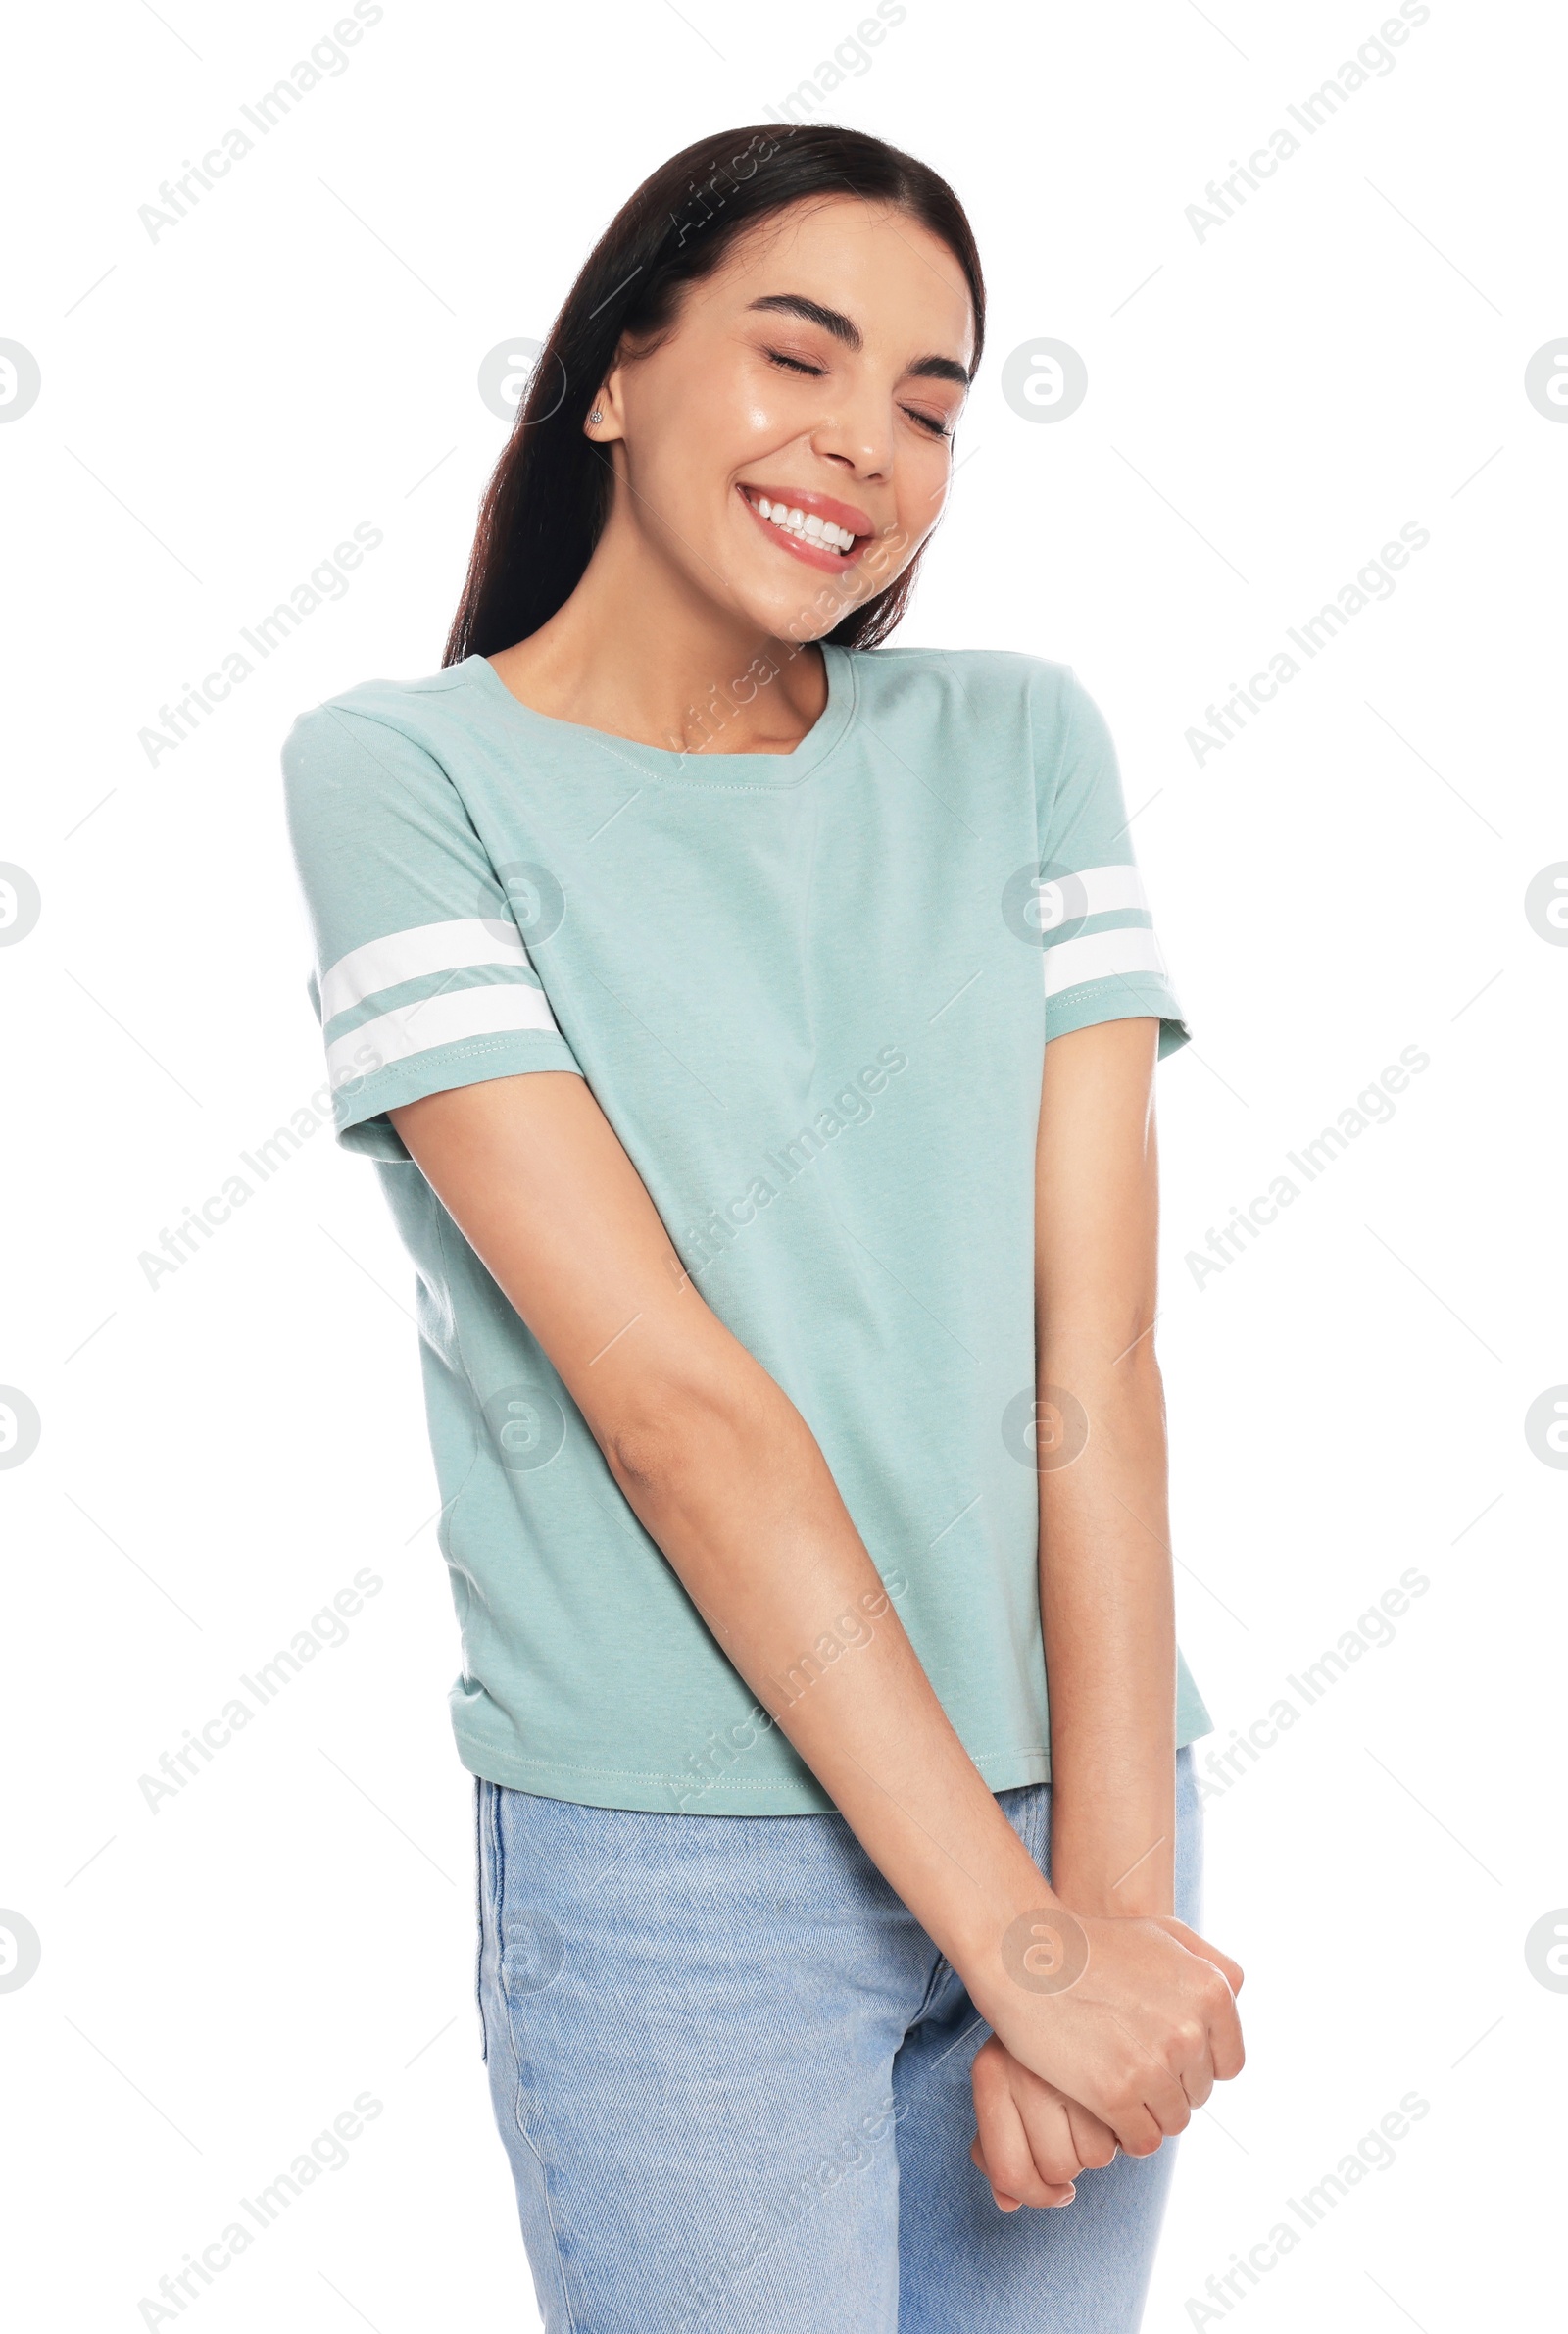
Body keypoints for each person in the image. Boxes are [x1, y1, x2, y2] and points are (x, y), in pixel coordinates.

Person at [280, 122, 1244, 2334]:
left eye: (926, 399)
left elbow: (1086, 1354)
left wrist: (1092, 1920)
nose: (864, 444)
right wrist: (1025, 1952)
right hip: (681, 1870)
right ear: (617, 371)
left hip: (1086, 1791)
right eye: (796, 356)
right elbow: (669, 1400)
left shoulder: (1016, 743)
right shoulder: (403, 777)